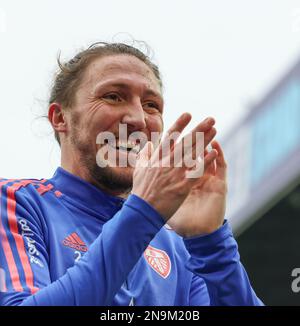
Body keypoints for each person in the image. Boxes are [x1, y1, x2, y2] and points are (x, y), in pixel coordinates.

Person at [0, 42, 263, 306]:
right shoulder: (15, 202)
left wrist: (210, 241)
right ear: (60, 117)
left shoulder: (177, 249)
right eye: (113, 96)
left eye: (151, 105)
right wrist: (144, 211)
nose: (138, 119)